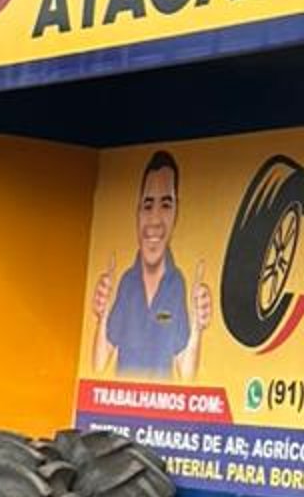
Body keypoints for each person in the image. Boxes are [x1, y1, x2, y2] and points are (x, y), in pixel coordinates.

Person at [91, 150, 213, 380]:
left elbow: (186, 373)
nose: (154, 220)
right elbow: (99, 364)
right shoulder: (127, 283)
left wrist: (198, 327)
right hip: (120, 406)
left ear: (177, 212)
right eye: (148, 205)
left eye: (166, 205)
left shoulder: (177, 285)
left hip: (159, 408)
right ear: (138, 212)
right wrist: (102, 315)